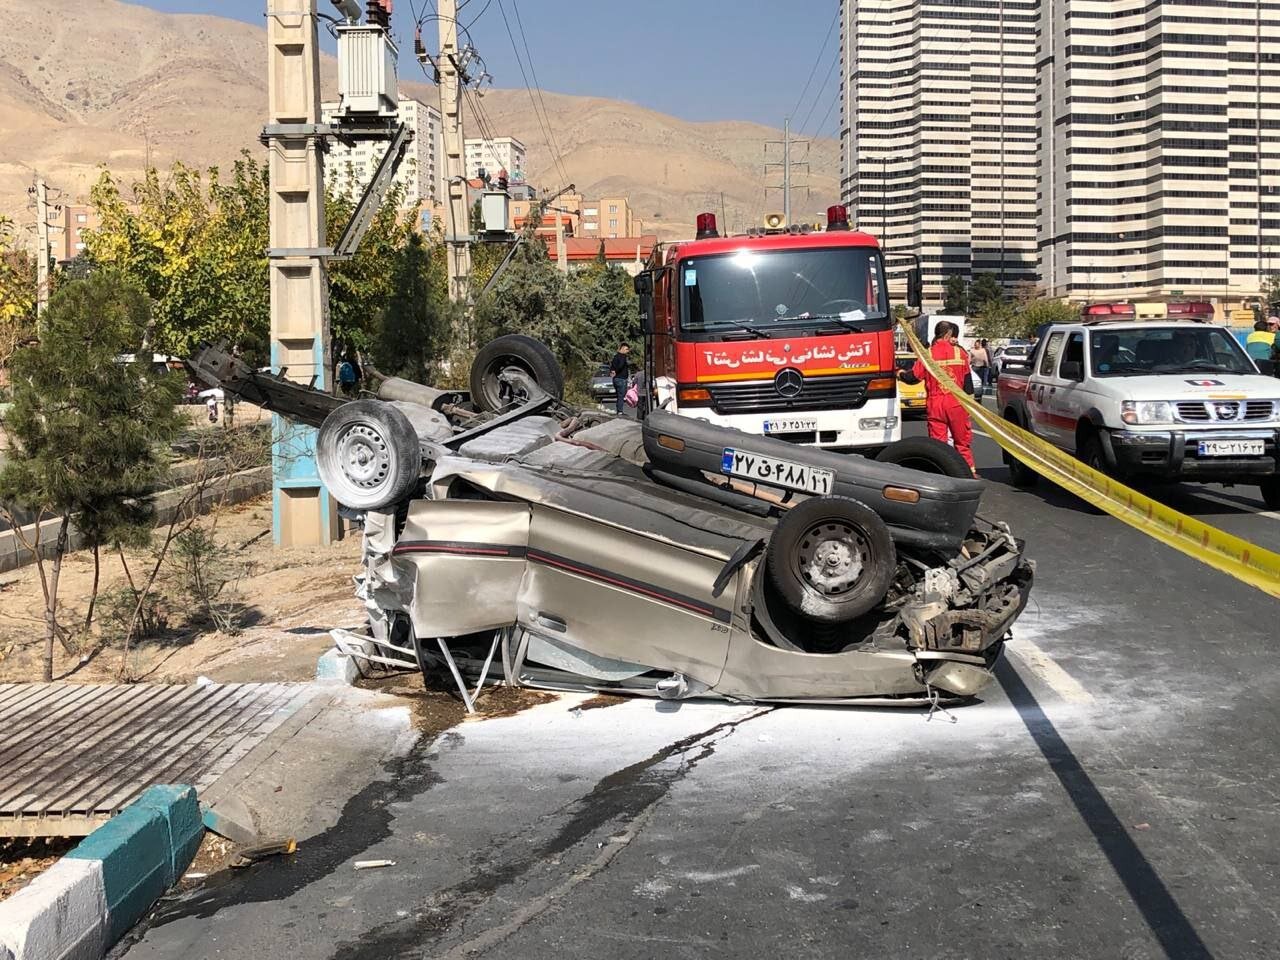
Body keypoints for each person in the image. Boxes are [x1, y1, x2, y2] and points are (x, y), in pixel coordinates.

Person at [898, 321, 976, 476]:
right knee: (962, 442)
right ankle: (969, 473)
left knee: (938, 445)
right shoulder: (960, 353)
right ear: (948, 334)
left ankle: (942, 474)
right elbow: (968, 384)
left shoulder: (928, 354)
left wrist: (898, 372)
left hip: (935, 404)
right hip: (957, 403)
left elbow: (912, 378)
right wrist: (971, 407)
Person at [609, 342, 631, 415]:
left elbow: (612, 367)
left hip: (615, 379)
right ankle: (620, 411)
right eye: (627, 349)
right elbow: (621, 366)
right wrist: (616, 371)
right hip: (621, 378)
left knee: (619, 395)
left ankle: (619, 410)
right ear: (623, 349)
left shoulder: (615, 356)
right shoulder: (623, 356)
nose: (628, 351)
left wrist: (612, 372)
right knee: (621, 395)